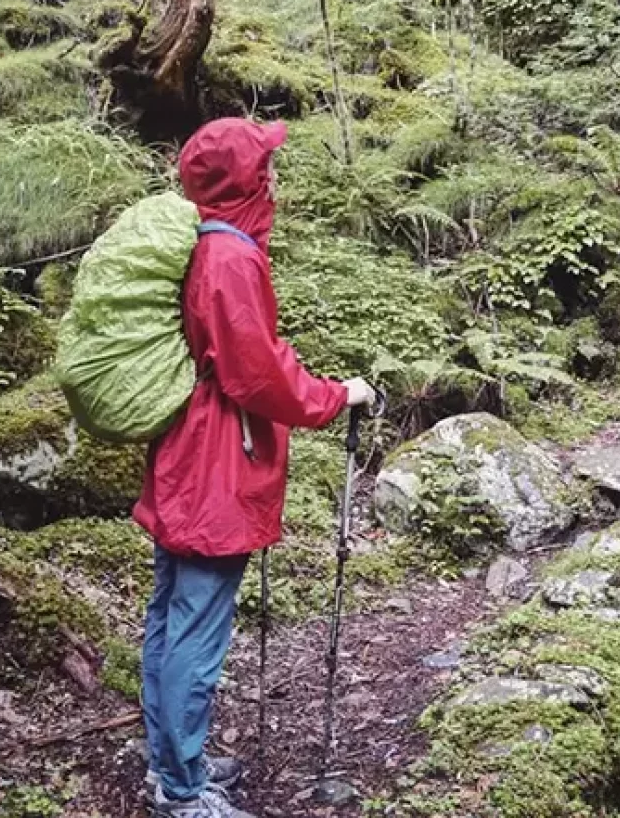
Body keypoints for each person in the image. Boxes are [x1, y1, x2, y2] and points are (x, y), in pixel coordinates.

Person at [133, 117, 375, 818]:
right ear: (245, 181)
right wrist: (336, 395)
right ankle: (181, 790)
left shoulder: (202, 244)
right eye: (264, 164)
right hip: (215, 466)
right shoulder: (230, 259)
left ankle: (172, 760)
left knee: (170, 613)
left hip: (183, 453)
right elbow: (257, 373)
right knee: (197, 628)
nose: (273, 175)